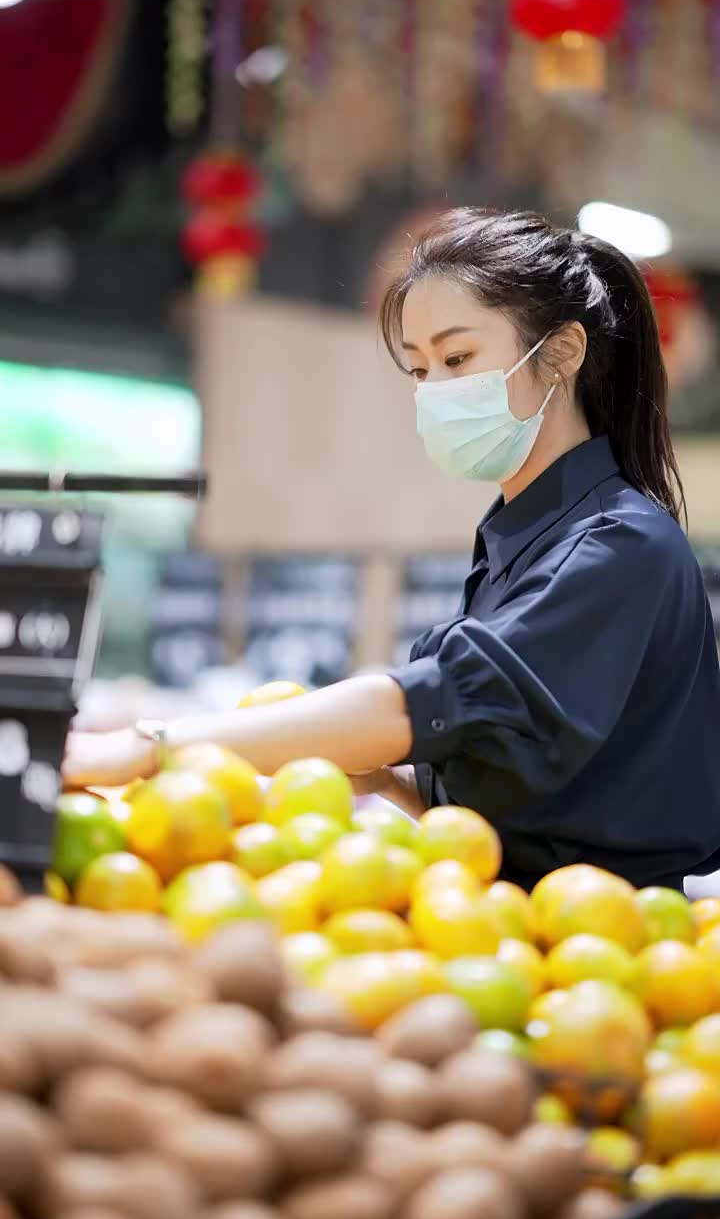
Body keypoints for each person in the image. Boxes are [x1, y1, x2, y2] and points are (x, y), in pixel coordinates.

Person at [64, 208, 720, 891]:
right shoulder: (519, 539)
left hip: (606, 949)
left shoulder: (619, 545)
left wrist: (152, 747)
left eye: (458, 358)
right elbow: (528, 789)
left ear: (561, 353)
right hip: (504, 921)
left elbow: (425, 705)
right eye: (419, 368)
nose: (435, 392)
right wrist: (390, 777)